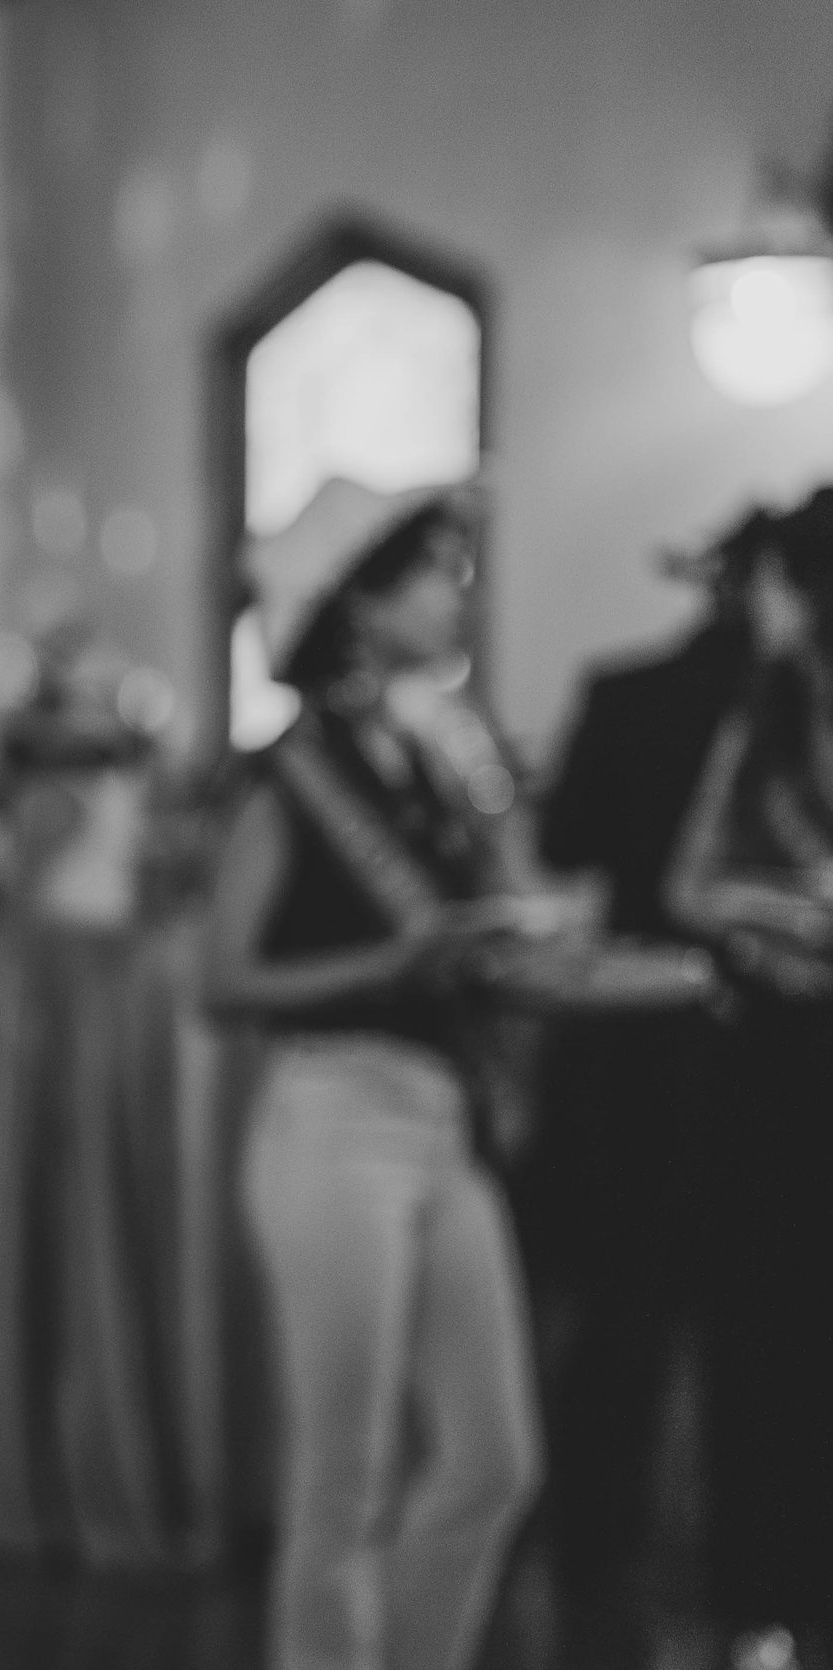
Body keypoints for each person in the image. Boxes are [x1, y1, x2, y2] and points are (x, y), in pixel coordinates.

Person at [204, 479, 541, 1670]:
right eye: (431, 572)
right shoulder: (292, 770)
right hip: (333, 1116)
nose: (457, 593)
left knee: (493, 1460)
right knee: (340, 1477)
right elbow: (223, 977)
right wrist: (394, 960)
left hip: (442, 1116)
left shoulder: (433, 755)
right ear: (358, 604)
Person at [521, 508, 773, 1669]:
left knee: (621, 1297)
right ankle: (741, 1554)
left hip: (633, 1037)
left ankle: (594, 1533)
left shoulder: (623, 691)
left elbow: (565, 841)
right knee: (751, 1307)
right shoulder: (779, 706)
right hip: (758, 1029)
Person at [664, 489, 833, 1670]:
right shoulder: (763, 718)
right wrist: (792, 914)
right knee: (763, 1322)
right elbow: (689, 884)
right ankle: (760, 1592)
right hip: (778, 1053)